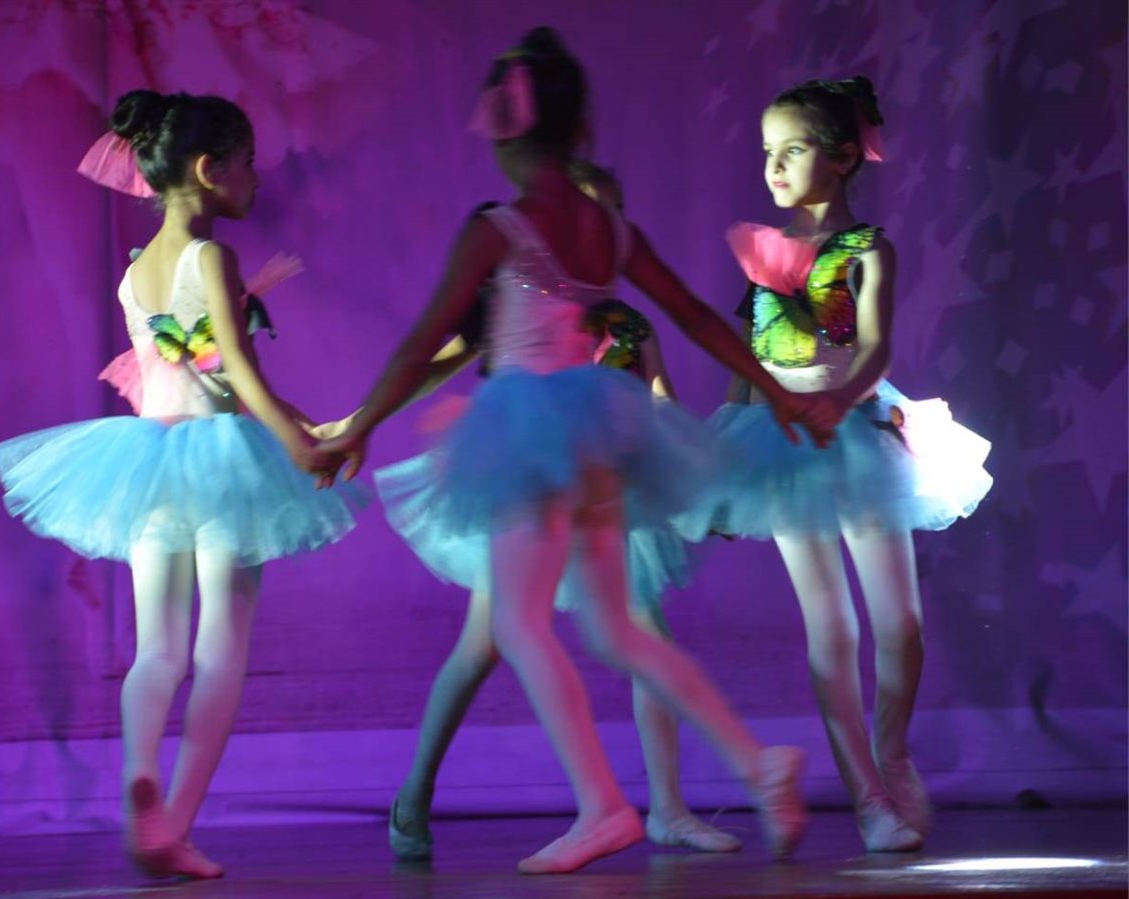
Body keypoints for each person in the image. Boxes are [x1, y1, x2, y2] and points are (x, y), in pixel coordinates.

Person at [317, 29, 838, 873]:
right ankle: (755, 761)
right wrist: (775, 391)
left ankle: (603, 805)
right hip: (599, 430)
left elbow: (423, 342)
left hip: (527, 429)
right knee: (615, 626)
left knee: (520, 621)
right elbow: (697, 317)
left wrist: (360, 424)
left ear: (508, 131)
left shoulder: (501, 227)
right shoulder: (610, 229)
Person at [0, 90, 358, 878]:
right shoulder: (211, 259)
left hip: (150, 457)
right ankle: (177, 822)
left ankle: (138, 774)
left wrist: (306, 421)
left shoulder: (134, 275)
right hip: (222, 463)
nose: (257, 176)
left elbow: (212, 374)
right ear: (208, 169)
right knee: (221, 647)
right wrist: (299, 444)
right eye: (247, 162)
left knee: (156, 649)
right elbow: (240, 376)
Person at [697, 76, 993, 851]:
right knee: (829, 626)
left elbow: (875, 348)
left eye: (791, 149)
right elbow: (751, 358)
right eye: (767, 150)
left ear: (841, 157)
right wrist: (724, 473)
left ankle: (892, 751)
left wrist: (841, 398)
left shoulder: (867, 249)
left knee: (901, 623)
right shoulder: (763, 253)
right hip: (778, 439)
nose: (774, 165)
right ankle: (867, 797)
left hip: (852, 426)